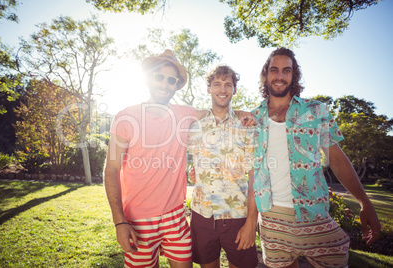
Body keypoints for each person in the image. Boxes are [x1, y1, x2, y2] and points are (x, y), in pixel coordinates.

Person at [104, 50, 255, 268]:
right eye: (159, 77)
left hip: (176, 218)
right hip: (138, 220)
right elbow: (111, 170)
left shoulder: (185, 114)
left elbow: (219, 110)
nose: (165, 84)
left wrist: (241, 113)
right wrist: (119, 222)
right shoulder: (126, 117)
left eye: (171, 80)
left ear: (176, 85)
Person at [251, 47, 381, 268]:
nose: (280, 76)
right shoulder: (254, 118)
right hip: (272, 218)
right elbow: (250, 171)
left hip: (314, 214)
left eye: (286, 70)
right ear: (266, 75)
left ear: (294, 76)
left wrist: (364, 202)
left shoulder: (316, 111)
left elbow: (337, 160)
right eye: (274, 70)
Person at [188, 65, 258, 268]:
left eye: (228, 84)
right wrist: (193, 170)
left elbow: (255, 177)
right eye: (217, 84)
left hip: (237, 215)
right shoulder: (195, 126)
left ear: (235, 90)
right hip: (202, 215)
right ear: (208, 88)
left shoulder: (246, 126)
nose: (223, 89)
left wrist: (251, 223)